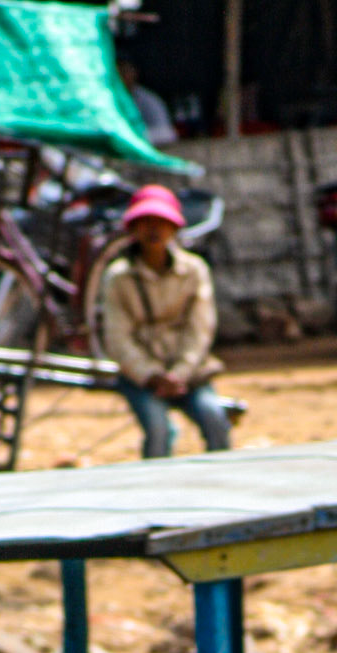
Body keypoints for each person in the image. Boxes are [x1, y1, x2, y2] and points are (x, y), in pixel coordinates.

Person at [101, 185, 232, 461]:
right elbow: (118, 338)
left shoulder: (194, 270)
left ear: (174, 227)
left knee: (215, 419)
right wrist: (150, 375)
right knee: (160, 431)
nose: (154, 230)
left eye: (161, 222)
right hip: (141, 376)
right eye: (146, 222)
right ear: (133, 228)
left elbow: (200, 329)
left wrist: (179, 374)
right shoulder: (118, 278)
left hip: (189, 373)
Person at [117, 56, 179, 149]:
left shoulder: (148, 100)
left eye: (124, 71)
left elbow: (167, 134)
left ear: (134, 73)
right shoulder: (104, 99)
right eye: (117, 72)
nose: (121, 77)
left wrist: (132, 138)